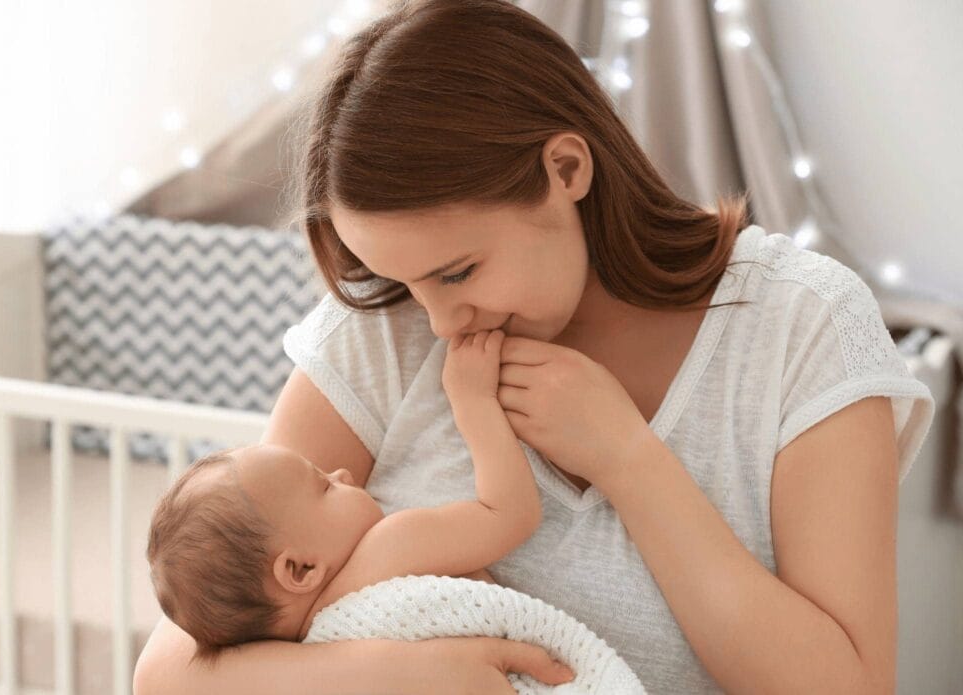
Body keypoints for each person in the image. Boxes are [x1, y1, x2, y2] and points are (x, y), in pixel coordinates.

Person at [133, 0, 935, 693]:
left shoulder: (802, 326)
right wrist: (411, 675)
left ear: (566, 167)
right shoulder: (384, 330)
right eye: (403, 280)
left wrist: (630, 460)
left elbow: (846, 685)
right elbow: (171, 671)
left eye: (457, 271)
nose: (439, 322)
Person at [144, 328, 573, 687]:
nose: (343, 474)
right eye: (324, 486)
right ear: (300, 570)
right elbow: (511, 514)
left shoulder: (297, 662)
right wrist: (473, 402)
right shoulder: (389, 548)